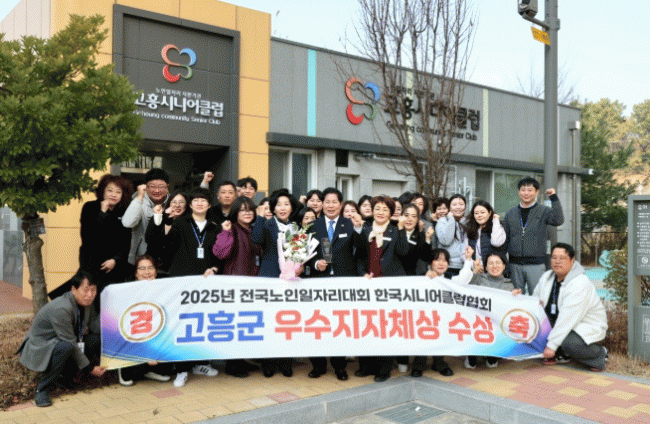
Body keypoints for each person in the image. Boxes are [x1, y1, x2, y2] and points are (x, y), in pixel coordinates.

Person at [18, 270, 106, 407]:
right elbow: (69, 341)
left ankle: (64, 378)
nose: (90, 295)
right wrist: (90, 368)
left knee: (95, 340)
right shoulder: (62, 307)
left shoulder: (86, 303)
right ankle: (42, 389)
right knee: (67, 346)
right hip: (41, 347)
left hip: (61, 342)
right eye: (86, 290)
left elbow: (95, 327)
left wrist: (109, 313)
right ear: (74, 289)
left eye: (93, 290)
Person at [307, 187, 365, 381]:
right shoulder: (313, 225)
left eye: (334, 202)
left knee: (339, 325)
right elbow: (304, 254)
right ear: (322, 204)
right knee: (318, 324)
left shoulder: (349, 224)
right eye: (327, 202)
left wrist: (358, 229)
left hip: (343, 283)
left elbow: (361, 249)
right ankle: (318, 365)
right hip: (319, 282)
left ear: (340, 205)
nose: (330, 205)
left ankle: (339, 366)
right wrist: (315, 263)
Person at [522, 243, 608, 371]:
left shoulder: (579, 283)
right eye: (554, 257)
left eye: (562, 258)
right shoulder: (547, 277)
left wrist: (552, 346)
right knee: (530, 326)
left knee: (569, 343)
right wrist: (518, 298)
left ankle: (599, 355)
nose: (557, 261)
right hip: (557, 322)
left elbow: (567, 318)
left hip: (583, 324)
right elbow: (535, 302)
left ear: (572, 261)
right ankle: (560, 353)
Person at [165, 189, 221, 387]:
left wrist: (215, 268)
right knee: (183, 324)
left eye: (203, 200)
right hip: (182, 281)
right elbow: (167, 246)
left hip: (205, 284)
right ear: (190, 205)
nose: (199, 203)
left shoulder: (215, 227)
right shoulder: (180, 223)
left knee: (203, 323)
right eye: (196, 200)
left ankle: (200, 363)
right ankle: (181, 369)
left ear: (209, 205)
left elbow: (219, 255)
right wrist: (167, 222)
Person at [356, 195, 409, 382]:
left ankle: (384, 368)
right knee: (367, 326)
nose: (380, 212)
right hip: (369, 285)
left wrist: (401, 229)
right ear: (372, 211)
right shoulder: (365, 230)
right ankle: (366, 366)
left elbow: (403, 251)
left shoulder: (395, 230)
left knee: (385, 328)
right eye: (377, 208)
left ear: (391, 213)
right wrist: (362, 273)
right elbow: (359, 256)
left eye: (385, 209)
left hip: (389, 287)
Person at [251, 189, 301, 377]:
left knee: (287, 321)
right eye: (279, 204)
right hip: (269, 277)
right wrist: (259, 217)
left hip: (290, 281)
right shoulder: (266, 224)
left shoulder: (295, 228)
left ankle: (286, 363)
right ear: (273, 208)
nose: (282, 208)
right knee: (270, 321)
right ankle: (269, 363)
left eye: (286, 204)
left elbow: (298, 255)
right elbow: (256, 239)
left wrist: (299, 267)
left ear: (292, 208)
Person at [213, 196, 261, 378]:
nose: (247, 213)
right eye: (242, 210)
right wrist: (225, 233)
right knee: (235, 324)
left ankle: (241, 360)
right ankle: (232, 365)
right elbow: (220, 253)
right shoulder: (231, 229)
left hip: (251, 283)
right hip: (235, 284)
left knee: (244, 323)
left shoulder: (252, 230)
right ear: (235, 213)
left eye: (250, 209)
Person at [410, 247, 474, 378]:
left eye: (445, 261)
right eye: (437, 260)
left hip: (443, 319)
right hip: (424, 319)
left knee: (441, 338)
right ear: (430, 263)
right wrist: (426, 278)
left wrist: (468, 259)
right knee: (423, 338)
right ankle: (418, 365)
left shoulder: (450, 279)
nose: (441, 263)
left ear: (448, 264)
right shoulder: (421, 277)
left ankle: (439, 363)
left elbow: (465, 277)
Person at [117, 255, 172, 385]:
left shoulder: (164, 290)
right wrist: (146, 351)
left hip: (156, 336)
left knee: (167, 367)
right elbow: (125, 327)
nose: (147, 272)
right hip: (134, 337)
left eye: (150, 268)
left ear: (156, 272)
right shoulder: (126, 292)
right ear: (136, 273)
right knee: (129, 375)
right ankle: (123, 368)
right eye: (142, 268)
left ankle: (149, 371)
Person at [503, 177, 564, 294]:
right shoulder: (510, 213)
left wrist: (554, 198)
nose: (526, 193)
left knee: (537, 297)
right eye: (523, 190)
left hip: (536, 264)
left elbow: (558, 220)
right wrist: (504, 262)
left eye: (530, 190)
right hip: (514, 264)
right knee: (516, 298)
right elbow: (505, 239)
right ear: (519, 192)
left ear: (537, 192)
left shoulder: (543, 211)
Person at [79, 174, 133, 293]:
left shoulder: (124, 211)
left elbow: (126, 241)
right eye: (110, 190)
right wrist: (102, 213)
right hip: (91, 264)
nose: (113, 195)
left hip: (115, 267)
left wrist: (115, 260)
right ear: (102, 191)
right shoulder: (90, 207)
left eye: (118, 192)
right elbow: (88, 237)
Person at [465, 252, 515, 369]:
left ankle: (492, 354)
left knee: (492, 363)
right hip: (477, 322)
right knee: (472, 365)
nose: (494, 266)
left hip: (497, 325)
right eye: (491, 263)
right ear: (486, 267)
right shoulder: (478, 278)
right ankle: (471, 354)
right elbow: (466, 291)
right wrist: (474, 273)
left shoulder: (510, 285)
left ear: (504, 266)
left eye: (498, 263)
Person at [122, 168, 170, 265]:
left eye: (161, 186)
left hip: (166, 259)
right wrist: (139, 197)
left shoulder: (173, 203)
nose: (157, 190)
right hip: (140, 260)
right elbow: (127, 223)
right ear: (146, 187)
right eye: (152, 186)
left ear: (167, 187)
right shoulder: (137, 202)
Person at [145, 191, 190, 276]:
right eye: (174, 202)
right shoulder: (158, 217)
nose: (177, 205)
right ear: (169, 204)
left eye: (181, 202)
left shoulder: (188, 223)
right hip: (155, 268)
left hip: (176, 270)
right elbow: (149, 239)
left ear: (187, 205)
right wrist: (163, 217)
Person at [465, 200, 506, 269]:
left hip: (495, 270)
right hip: (476, 269)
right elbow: (467, 252)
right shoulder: (471, 230)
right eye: (476, 213)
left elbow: (496, 242)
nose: (479, 215)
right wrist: (474, 265)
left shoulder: (497, 227)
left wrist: (496, 220)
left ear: (489, 213)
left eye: (482, 212)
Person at [435, 194, 468, 277]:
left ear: (465, 207)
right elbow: (446, 241)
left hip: (466, 266)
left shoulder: (468, 223)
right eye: (454, 204)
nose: (458, 207)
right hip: (448, 266)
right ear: (449, 208)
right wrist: (451, 219)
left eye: (461, 204)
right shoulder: (443, 221)